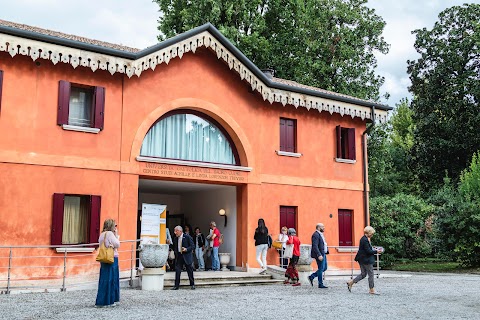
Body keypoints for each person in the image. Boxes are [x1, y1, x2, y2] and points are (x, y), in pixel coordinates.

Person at [347, 226, 381, 295]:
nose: (372, 235)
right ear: (369, 233)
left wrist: (373, 248)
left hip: (361, 259)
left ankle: (351, 282)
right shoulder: (365, 240)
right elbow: (368, 251)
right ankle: (371, 289)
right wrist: (376, 251)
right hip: (366, 260)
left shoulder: (364, 239)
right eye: (372, 233)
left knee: (363, 274)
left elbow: (366, 249)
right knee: (371, 274)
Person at [95, 219, 120, 307]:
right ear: (111, 226)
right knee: (112, 279)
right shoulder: (110, 234)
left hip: (104, 258)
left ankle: (101, 301)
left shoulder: (102, 234)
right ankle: (110, 301)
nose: (115, 227)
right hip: (111, 258)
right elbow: (117, 244)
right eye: (115, 226)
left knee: (104, 279)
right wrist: (116, 235)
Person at [171, 226, 195, 290]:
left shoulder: (187, 237)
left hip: (186, 256)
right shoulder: (175, 239)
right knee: (177, 271)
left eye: (176, 231)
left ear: (180, 231)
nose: (175, 232)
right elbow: (174, 247)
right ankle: (176, 285)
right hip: (179, 256)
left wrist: (186, 249)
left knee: (189, 271)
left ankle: (192, 284)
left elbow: (192, 246)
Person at [308, 223, 328, 288]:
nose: (324, 228)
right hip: (320, 254)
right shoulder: (316, 235)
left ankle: (312, 276)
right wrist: (319, 255)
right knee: (321, 268)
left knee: (324, 268)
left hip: (323, 253)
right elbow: (315, 246)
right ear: (319, 227)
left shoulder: (320, 234)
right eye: (323, 227)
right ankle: (320, 284)